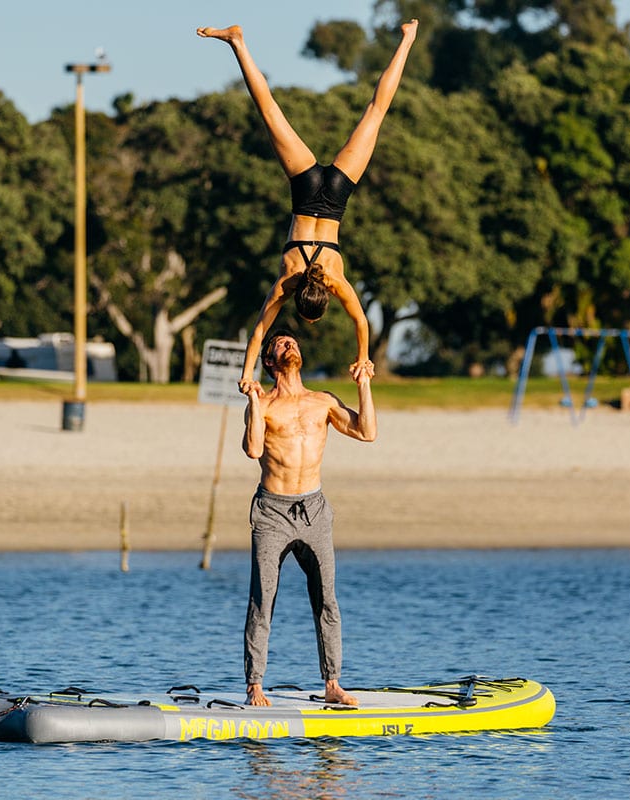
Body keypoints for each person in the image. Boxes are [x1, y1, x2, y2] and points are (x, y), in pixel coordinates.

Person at [197, 20, 419, 393]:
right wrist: (247, 373)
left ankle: (408, 38)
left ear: (323, 297)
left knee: (376, 111)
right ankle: (237, 43)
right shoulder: (286, 280)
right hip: (304, 189)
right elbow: (259, 332)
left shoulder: (335, 279)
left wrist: (363, 356)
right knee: (268, 111)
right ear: (300, 297)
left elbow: (362, 322)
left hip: (335, 195)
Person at [240, 330, 377, 707]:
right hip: (272, 511)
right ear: (269, 362)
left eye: (293, 342)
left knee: (326, 600)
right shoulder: (264, 405)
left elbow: (367, 432)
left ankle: (333, 684)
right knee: (263, 599)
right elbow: (253, 449)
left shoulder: (323, 402)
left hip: (314, 509)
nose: (290, 345)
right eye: (281, 344)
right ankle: (255, 685)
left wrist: (363, 384)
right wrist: (253, 401)